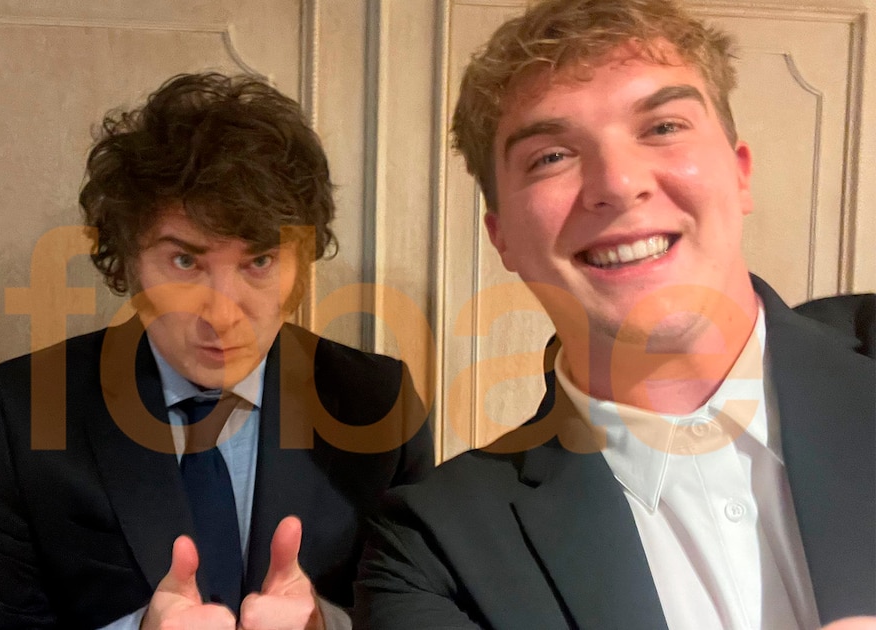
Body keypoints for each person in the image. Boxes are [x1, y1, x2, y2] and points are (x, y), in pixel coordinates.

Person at [355, 0, 875, 628]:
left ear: (740, 173)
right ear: (502, 237)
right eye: (551, 156)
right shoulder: (429, 554)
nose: (619, 183)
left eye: (663, 127)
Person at [0, 72, 434, 630]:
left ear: (301, 264)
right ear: (128, 260)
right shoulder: (20, 412)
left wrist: (327, 627)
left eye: (260, 261)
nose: (221, 312)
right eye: (185, 261)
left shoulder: (378, 407)